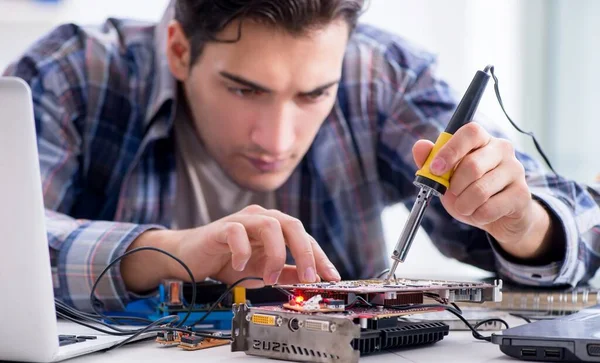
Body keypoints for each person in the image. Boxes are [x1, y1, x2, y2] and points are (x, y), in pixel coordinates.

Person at [4, 0, 599, 312]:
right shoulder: (76, 74)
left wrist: (521, 223)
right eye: (244, 89)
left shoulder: (380, 76)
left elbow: (584, 228)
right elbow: (8, 242)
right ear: (179, 50)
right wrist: (170, 251)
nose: (277, 138)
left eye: (315, 93)